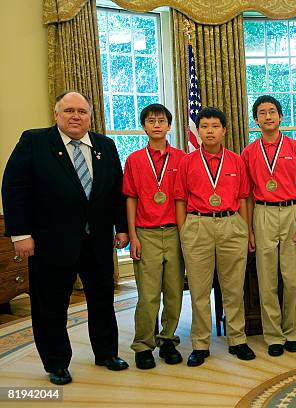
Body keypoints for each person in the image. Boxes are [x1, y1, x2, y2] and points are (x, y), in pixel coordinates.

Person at [2, 91, 129, 385]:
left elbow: (116, 191)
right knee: (50, 305)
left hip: (96, 240)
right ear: (56, 114)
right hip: (49, 242)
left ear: (90, 116)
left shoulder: (105, 146)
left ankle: (107, 353)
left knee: (102, 300)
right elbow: (13, 187)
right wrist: (20, 234)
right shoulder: (34, 141)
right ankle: (57, 363)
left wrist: (121, 227)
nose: (76, 116)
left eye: (82, 111)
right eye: (69, 110)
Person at [174, 107, 255, 365]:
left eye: (215, 126)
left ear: (224, 130)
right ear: (197, 131)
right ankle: (200, 343)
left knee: (233, 287)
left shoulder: (236, 160)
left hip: (231, 224)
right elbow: (179, 199)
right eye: (205, 126)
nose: (210, 131)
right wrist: (184, 231)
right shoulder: (186, 162)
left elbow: (244, 198)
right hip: (198, 225)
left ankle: (237, 339)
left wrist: (245, 228)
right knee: (198, 289)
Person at [242, 95, 296, 357]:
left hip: (292, 211)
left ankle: (292, 332)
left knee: (293, 280)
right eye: (262, 113)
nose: (268, 116)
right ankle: (273, 335)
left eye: (273, 111)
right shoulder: (249, 152)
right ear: (256, 119)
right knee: (267, 279)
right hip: (263, 214)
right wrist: (248, 229)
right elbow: (246, 195)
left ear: (281, 116)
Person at [122, 104, 185, 369]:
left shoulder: (182, 158)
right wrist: (133, 236)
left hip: (174, 232)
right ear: (144, 126)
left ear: (169, 126)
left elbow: (186, 199)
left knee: (174, 292)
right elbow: (131, 199)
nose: (157, 125)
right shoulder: (135, 160)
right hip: (146, 234)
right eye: (151, 121)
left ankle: (168, 339)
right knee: (148, 295)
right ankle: (143, 345)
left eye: (162, 120)